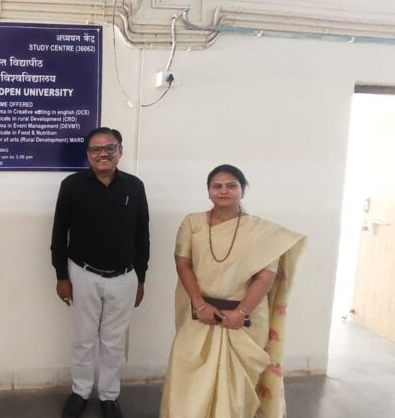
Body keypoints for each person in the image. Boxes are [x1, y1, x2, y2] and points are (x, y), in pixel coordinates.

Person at [159, 164, 307, 418]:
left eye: (231, 185)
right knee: (189, 380)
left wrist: (241, 312)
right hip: (199, 315)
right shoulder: (193, 222)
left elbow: (265, 276)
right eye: (217, 186)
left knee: (236, 389)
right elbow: (183, 263)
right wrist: (200, 305)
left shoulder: (261, 231)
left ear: (243, 191)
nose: (223, 191)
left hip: (244, 321)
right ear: (208, 192)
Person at [51, 127, 149, 418]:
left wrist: (140, 278)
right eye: (96, 149)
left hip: (124, 277)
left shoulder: (134, 186)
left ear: (120, 151)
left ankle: (109, 396)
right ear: (88, 155)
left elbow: (142, 234)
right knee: (83, 339)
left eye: (110, 147)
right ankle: (80, 392)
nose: (103, 153)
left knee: (113, 342)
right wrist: (61, 276)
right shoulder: (71, 185)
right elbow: (59, 234)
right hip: (83, 274)